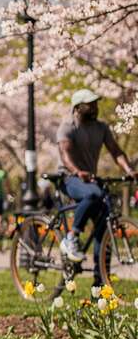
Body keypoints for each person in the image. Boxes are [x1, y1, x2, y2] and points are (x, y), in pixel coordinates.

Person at [56, 88, 136, 285]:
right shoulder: (67, 127)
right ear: (77, 108)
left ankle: (100, 284)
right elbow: (65, 155)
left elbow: (116, 151)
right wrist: (77, 171)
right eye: (90, 104)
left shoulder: (101, 128)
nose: (95, 107)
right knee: (93, 194)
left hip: (90, 179)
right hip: (69, 178)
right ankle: (71, 237)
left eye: (95, 103)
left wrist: (129, 170)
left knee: (105, 225)